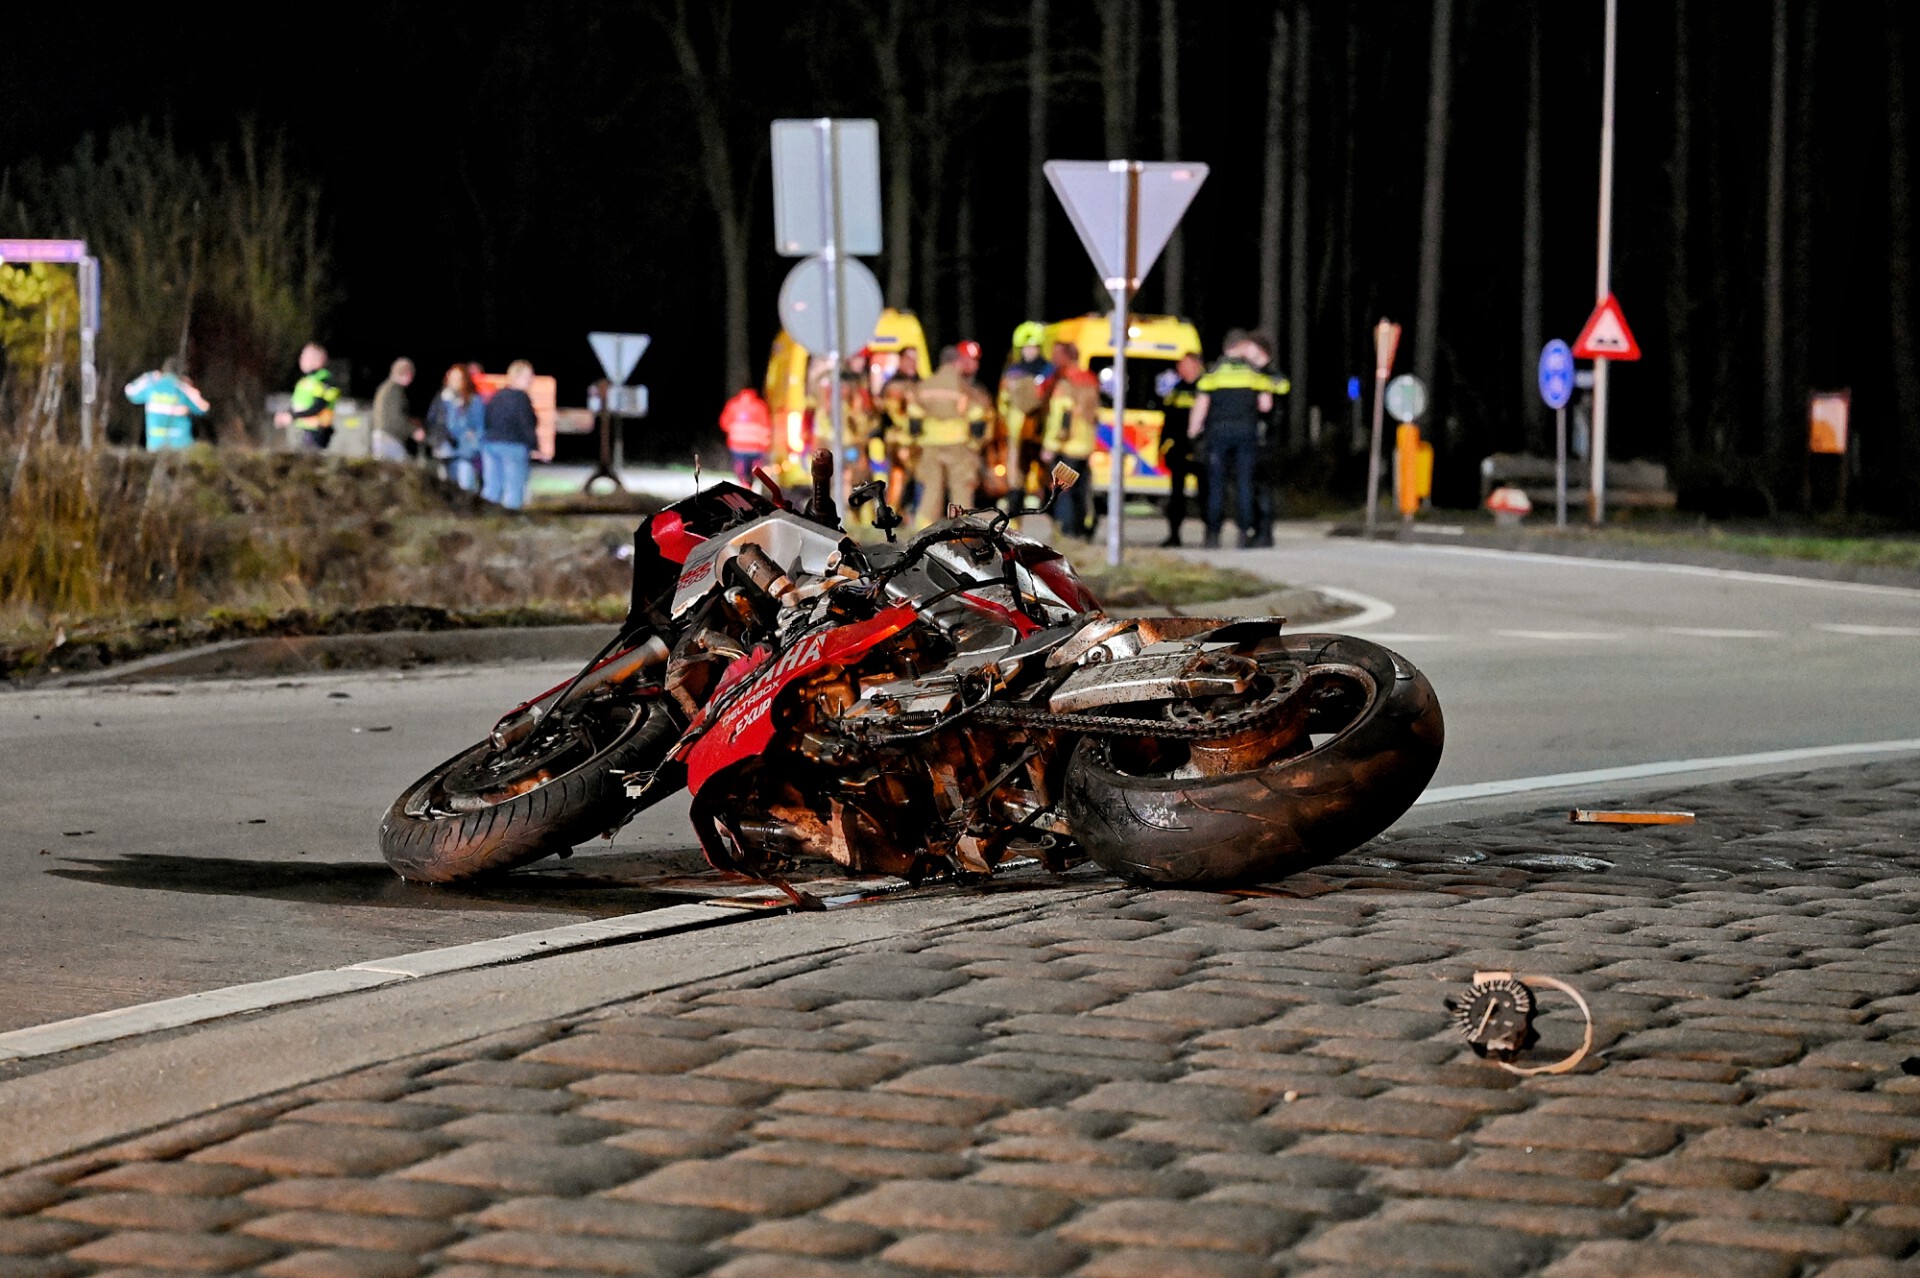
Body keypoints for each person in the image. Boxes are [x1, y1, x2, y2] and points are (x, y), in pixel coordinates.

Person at [1190, 329, 1282, 548]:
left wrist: (1193, 433)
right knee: (1244, 483)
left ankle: (1213, 535)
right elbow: (1266, 405)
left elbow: (1200, 408)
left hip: (1217, 434)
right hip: (1246, 433)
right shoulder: (1253, 375)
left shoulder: (1213, 374)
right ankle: (1243, 532)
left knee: (1216, 485)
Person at [905, 345, 992, 528]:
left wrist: (916, 438)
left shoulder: (925, 385)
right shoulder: (964, 387)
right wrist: (976, 442)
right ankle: (962, 529)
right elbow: (977, 414)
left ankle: (924, 528)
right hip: (958, 443)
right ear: (957, 362)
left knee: (931, 488)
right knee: (961, 488)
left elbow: (914, 414)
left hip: (930, 444)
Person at [1039, 341, 1101, 541]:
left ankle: (1066, 534)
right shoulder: (1090, 380)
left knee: (1062, 492)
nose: (1053, 359)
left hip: (1067, 447)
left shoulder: (1065, 383)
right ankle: (1081, 532)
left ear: (1065, 357)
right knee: (1080, 492)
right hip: (1085, 446)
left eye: (1056, 355)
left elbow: (1061, 418)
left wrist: (1050, 446)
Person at [997, 322, 1052, 510]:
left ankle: (1043, 501)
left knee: (1044, 470)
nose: (1029, 351)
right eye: (1026, 347)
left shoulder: (1048, 371)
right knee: (1016, 473)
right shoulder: (1012, 371)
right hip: (1017, 432)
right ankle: (1015, 508)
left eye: (1033, 347)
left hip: (1040, 430)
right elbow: (1003, 401)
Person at [1158, 352, 1206, 546]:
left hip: (1200, 449)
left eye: (1184, 365)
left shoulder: (1205, 386)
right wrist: (1163, 446)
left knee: (1205, 493)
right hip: (1178, 449)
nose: (1180, 369)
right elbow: (1168, 420)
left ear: (1196, 365)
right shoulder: (1176, 390)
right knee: (1176, 495)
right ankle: (1174, 535)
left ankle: (1210, 534)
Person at [482, 360, 539, 509]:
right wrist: (534, 446)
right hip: (513, 446)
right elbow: (526, 423)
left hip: (490, 444)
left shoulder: (497, 396)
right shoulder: (521, 397)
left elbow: (487, 418)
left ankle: (486, 516)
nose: (531, 380)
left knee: (491, 487)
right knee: (514, 487)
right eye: (529, 376)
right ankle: (510, 517)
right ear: (517, 377)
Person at [123, 358, 209, 451]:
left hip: (155, 446)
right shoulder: (183, 388)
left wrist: (149, 377)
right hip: (181, 447)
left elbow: (130, 391)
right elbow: (204, 408)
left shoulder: (151, 385)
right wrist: (190, 389)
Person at [425, 364, 486, 492]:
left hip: (465, 452)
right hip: (446, 451)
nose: (454, 382)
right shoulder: (443, 398)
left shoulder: (474, 400)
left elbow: (479, 426)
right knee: (447, 489)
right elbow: (434, 421)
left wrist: (474, 441)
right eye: (452, 378)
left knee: (465, 488)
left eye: (458, 379)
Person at [880, 346, 922, 514]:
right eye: (909, 359)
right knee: (898, 478)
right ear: (901, 361)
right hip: (898, 441)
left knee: (919, 480)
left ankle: (915, 514)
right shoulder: (894, 385)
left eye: (915, 359)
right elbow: (893, 414)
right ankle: (892, 512)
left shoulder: (921, 383)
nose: (913, 363)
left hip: (918, 442)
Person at [279, 343, 339, 452]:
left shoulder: (323, 380)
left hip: (317, 433)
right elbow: (298, 404)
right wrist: (286, 414)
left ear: (319, 360)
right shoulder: (305, 381)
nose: (301, 359)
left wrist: (292, 416)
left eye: (306, 356)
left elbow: (318, 407)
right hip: (302, 431)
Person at [718, 387, 773, 485]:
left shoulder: (733, 405)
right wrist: (766, 445)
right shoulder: (760, 406)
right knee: (754, 470)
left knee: (741, 470)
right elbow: (766, 426)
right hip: (756, 447)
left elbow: (724, 423)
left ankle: (744, 484)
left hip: (737, 446)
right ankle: (749, 484)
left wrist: (735, 430)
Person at [370, 358, 416, 462]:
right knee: (406, 467)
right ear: (407, 373)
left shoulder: (384, 387)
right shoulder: (395, 390)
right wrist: (413, 431)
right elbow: (396, 418)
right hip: (389, 438)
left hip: (379, 437)